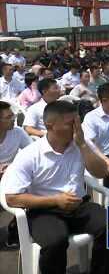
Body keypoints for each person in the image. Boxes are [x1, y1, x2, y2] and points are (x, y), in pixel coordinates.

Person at [1, 100, 109, 274]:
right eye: (71, 124)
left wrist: (83, 145)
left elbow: (101, 172)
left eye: (78, 122)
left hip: (79, 206)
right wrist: (55, 200)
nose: (77, 128)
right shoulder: (30, 154)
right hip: (44, 210)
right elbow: (12, 198)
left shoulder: (80, 142)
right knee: (55, 241)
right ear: (50, 125)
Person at [0, 101, 32, 248]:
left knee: (30, 188)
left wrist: (13, 167)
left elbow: (32, 153)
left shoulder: (17, 132)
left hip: (12, 174)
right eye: (9, 117)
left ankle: (15, 229)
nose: (14, 118)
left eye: (12, 115)